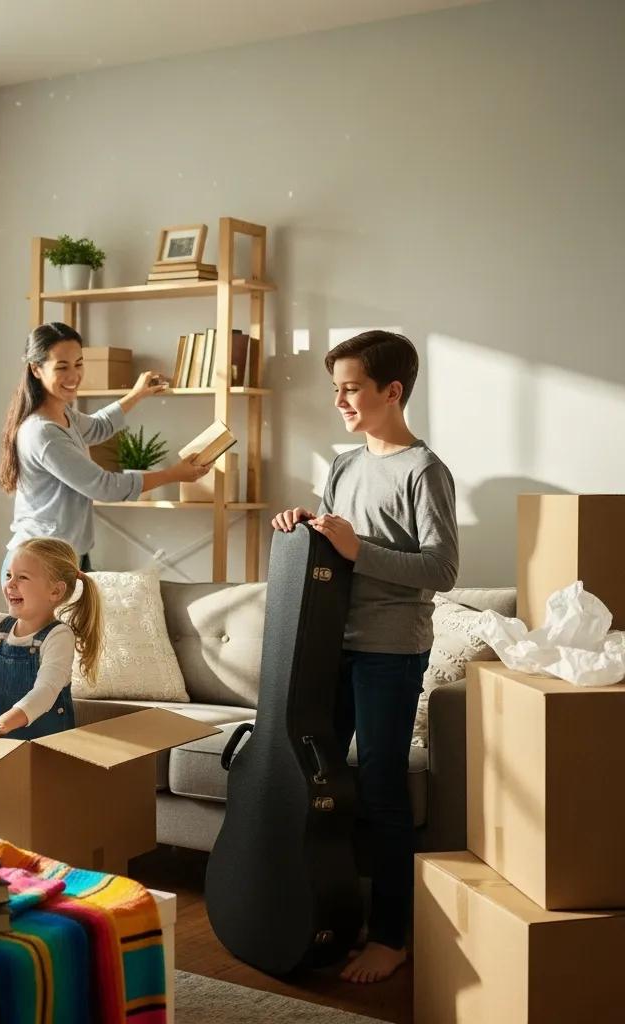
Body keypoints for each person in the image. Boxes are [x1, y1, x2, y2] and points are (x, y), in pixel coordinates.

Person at [271, 330, 458, 984]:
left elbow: (442, 568)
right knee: (319, 782)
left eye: (351, 388)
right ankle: (333, 916)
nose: (340, 401)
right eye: (337, 389)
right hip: (332, 645)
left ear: (392, 391)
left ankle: (391, 935)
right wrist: (306, 528)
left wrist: (359, 548)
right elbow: (334, 552)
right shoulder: (345, 466)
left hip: (389, 653)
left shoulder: (424, 471)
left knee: (380, 788)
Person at [0, 322, 209, 579]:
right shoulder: (43, 432)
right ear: (36, 369)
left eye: (78, 364)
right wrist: (173, 474)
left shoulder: (64, 416)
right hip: (40, 564)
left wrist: (137, 394)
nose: (74, 375)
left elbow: (99, 427)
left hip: (67, 557)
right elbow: (104, 487)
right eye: (62, 367)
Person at [0, 538, 102, 742]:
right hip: (1, 742)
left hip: (47, 747)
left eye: (22, 577)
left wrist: (2, 723)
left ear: (55, 591)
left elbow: (45, 692)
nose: (10, 584)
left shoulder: (58, 636)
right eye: (8, 575)